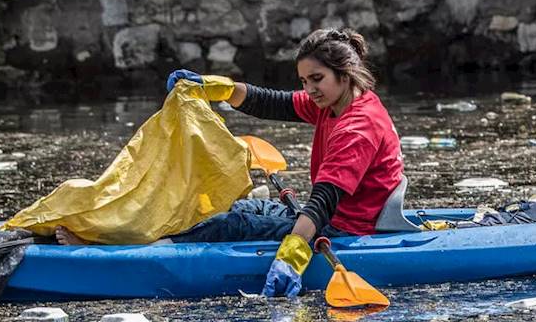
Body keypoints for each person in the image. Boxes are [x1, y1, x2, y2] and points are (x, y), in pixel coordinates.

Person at [164, 27, 404, 298]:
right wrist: (219, 89)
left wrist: (292, 257)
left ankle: (151, 253)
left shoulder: (358, 127)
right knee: (239, 206)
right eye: (304, 81)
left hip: (346, 229)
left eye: (316, 79)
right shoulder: (334, 102)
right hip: (330, 216)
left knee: (231, 225)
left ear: (345, 74)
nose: (310, 90)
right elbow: (271, 102)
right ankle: (167, 240)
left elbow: (322, 202)